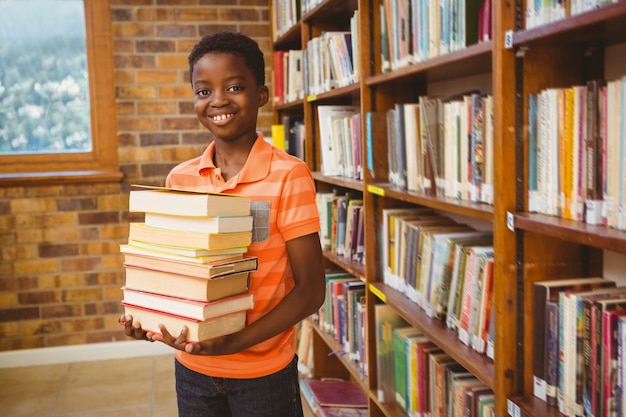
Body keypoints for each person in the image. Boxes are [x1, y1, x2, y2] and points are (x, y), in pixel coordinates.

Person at [120, 31, 326, 417]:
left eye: (234, 86)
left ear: (261, 95)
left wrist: (237, 343)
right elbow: (174, 274)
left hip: (262, 373)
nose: (218, 100)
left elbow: (312, 290)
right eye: (203, 91)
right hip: (193, 369)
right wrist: (148, 318)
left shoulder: (288, 175)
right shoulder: (180, 179)